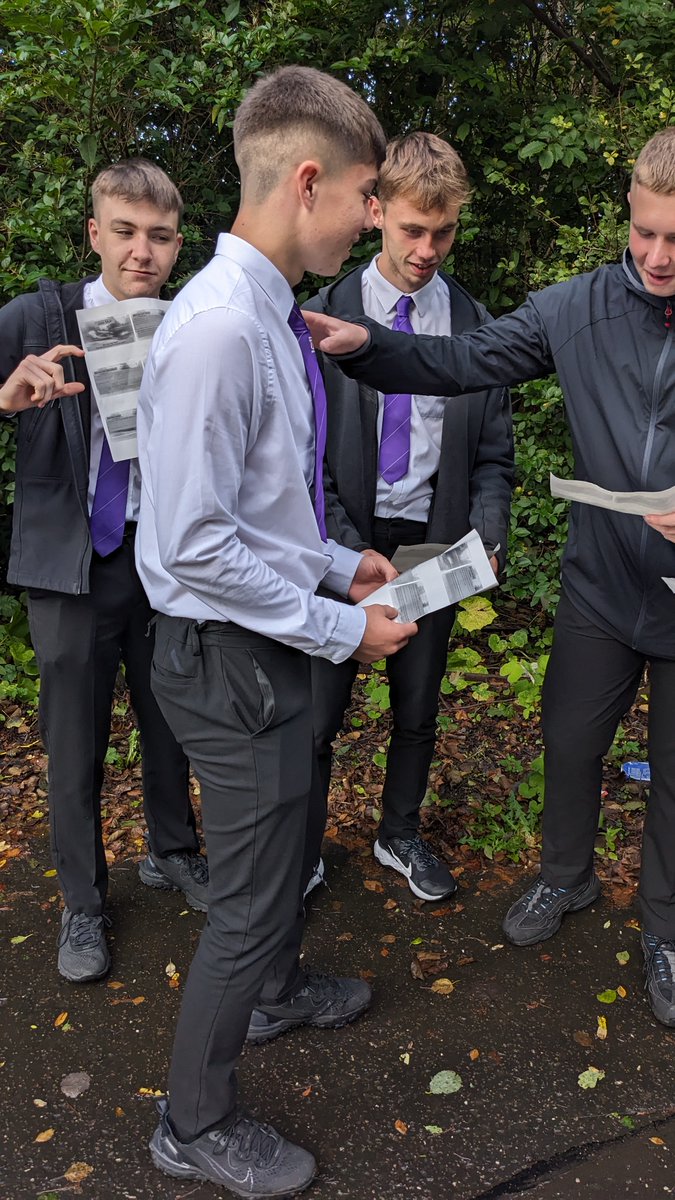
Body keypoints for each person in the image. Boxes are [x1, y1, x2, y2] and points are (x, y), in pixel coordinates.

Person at [303, 126, 675, 1029]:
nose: (659, 259)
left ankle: (663, 930)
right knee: (571, 740)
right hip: (600, 579)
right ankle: (564, 881)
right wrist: (363, 348)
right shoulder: (571, 309)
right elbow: (457, 363)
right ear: (626, 210)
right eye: (646, 234)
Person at [135, 66, 417, 1195]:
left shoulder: (264, 314)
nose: (368, 219)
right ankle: (192, 1125)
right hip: (228, 657)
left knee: (285, 854)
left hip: (271, 639)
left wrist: (337, 564)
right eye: (363, 195)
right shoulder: (215, 330)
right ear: (309, 182)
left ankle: (275, 996)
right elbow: (194, 549)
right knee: (249, 895)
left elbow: (259, 514)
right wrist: (340, 630)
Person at [0, 160, 207, 986]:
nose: (141, 252)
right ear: (94, 233)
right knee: (74, 743)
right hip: (70, 567)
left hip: (160, 566)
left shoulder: (193, 325)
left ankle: (172, 852)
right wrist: (6, 397)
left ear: (177, 245)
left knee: (171, 724)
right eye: (124, 232)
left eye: (159, 237)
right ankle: (83, 901)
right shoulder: (38, 317)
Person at [306, 133, 513, 901]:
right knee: (317, 716)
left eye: (444, 231)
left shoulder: (474, 324)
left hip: (432, 545)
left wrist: (486, 532)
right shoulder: (322, 317)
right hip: (338, 546)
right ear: (375, 212)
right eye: (411, 230)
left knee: (417, 708)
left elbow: (494, 453)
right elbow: (303, 457)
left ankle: (399, 835)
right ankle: (304, 850)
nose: (427, 250)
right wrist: (343, 551)